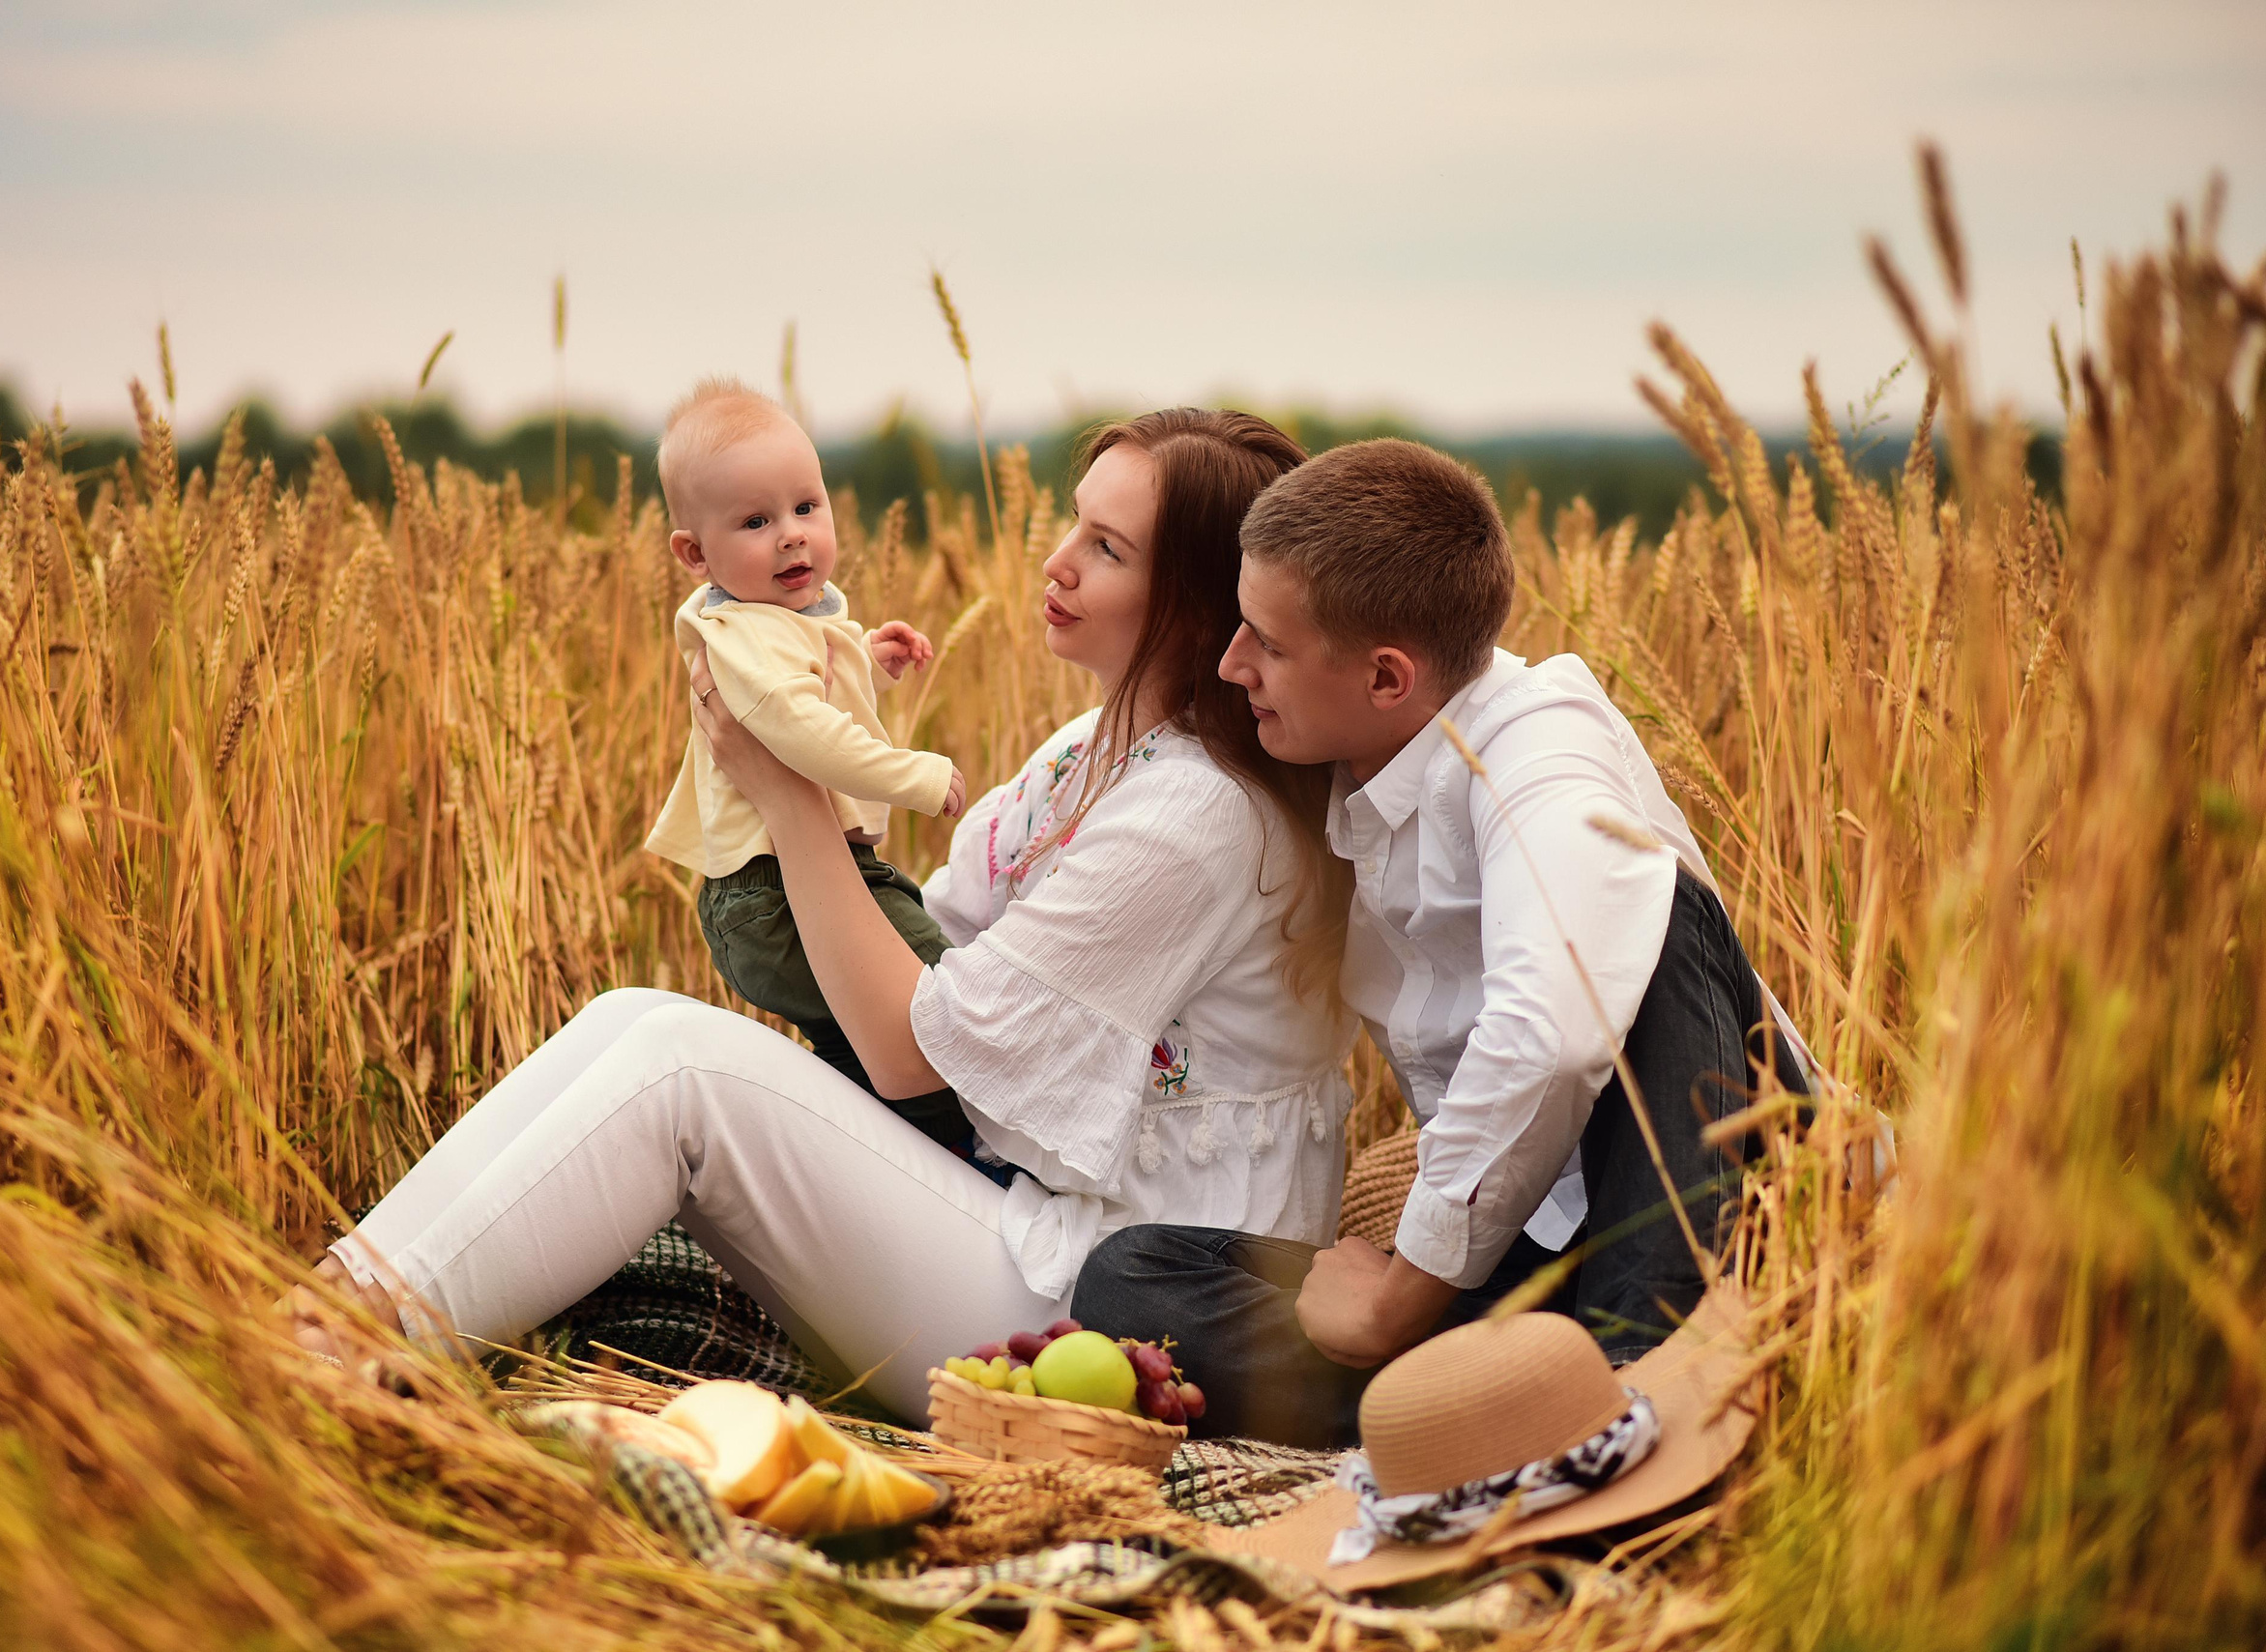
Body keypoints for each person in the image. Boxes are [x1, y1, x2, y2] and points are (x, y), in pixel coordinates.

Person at [291, 410, 1356, 1425]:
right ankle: (326, 1311)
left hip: (1117, 1300)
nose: (1056, 560)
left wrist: (787, 784)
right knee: (631, 1012)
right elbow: (928, 953)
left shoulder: (1197, 812)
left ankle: (322, 1357)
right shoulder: (1095, 745)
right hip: (1031, 1208)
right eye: (1072, 520)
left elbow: (907, 1049)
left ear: (1199, 601)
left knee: (680, 1068)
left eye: (1107, 547)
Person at [1071, 439, 1809, 1448]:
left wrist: (1393, 1301)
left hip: (1706, 1214)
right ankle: (1522, 1412)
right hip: (1532, 1263)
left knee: (1649, 918)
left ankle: (1647, 1392)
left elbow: (1550, 1031)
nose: (1230, 662)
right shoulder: (1344, 764)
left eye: (1266, 643)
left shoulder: (1542, 747)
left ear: (1385, 675)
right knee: (1128, 1277)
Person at [643, 377, 974, 1156]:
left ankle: (871, 1156)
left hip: (796, 882)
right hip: (771, 896)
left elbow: (816, 703)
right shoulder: (745, 635)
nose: (791, 535)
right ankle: (946, 1161)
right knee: (944, 1003)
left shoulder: (784, 619)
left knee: (863, 1051)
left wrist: (867, 664)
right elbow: (803, 735)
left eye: (806, 506)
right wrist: (913, 775)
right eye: (756, 520)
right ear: (694, 553)